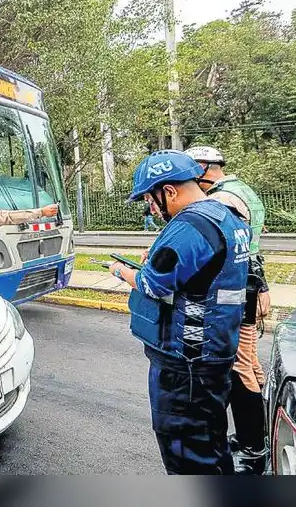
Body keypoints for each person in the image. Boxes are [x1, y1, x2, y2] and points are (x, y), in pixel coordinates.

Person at [109, 150, 251, 475]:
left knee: (187, 456)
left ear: (169, 191)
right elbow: (202, 273)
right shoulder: (226, 216)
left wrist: (121, 271)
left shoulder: (190, 225)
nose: (152, 209)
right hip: (215, 354)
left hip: (186, 366)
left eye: (151, 200)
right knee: (211, 447)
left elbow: (152, 283)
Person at [186, 145, 270, 474]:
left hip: (239, 288)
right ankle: (256, 435)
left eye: (192, 176)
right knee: (250, 363)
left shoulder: (223, 199)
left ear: (205, 169)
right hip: (250, 282)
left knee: (241, 366)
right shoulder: (241, 189)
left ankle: (253, 449)